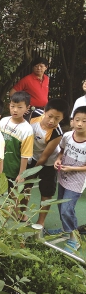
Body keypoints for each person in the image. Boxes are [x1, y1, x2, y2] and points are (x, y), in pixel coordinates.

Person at [46, 106, 86, 253]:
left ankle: (74, 238)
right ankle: (65, 228)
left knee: (66, 209)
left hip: (77, 181)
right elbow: (62, 151)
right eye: (77, 120)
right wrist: (58, 159)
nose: (80, 124)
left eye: (84, 121)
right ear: (72, 121)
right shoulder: (68, 136)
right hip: (63, 177)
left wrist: (72, 169)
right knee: (61, 206)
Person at [25, 99, 69, 225]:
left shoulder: (57, 133)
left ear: (62, 118)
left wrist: (32, 172)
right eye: (50, 116)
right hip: (31, 156)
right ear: (44, 111)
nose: (52, 121)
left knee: (46, 192)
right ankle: (22, 216)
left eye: (57, 119)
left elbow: (44, 157)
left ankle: (40, 222)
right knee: (26, 187)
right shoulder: (35, 114)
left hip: (48, 162)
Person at [0, 91, 34, 221]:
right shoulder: (3, 121)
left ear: (27, 108)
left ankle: (14, 221)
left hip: (14, 170)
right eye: (13, 106)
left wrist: (21, 174)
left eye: (20, 107)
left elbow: (26, 155)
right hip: (0, 167)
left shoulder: (27, 129)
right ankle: (0, 221)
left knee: (14, 198)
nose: (15, 110)